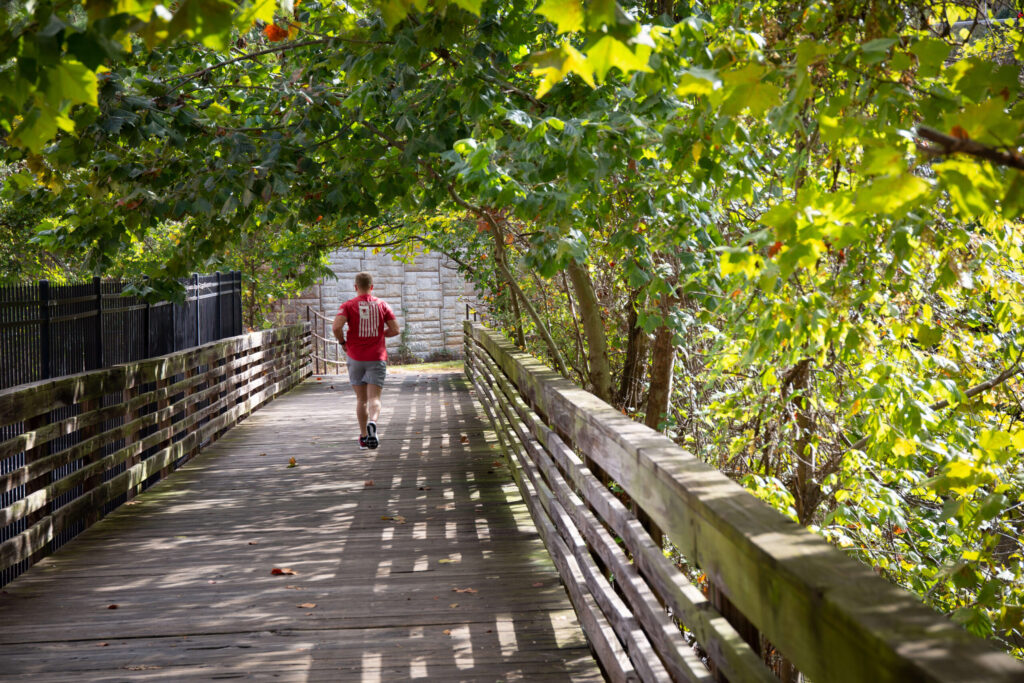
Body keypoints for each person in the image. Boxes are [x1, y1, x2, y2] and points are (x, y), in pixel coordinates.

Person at [332, 271, 400, 449]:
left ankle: (363, 437)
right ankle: (373, 423)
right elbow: (395, 329)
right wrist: (380, 335)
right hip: (376, 357)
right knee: (374, 398)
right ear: (372, 287)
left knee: (361, 400)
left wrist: (343, 343)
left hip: (355, 357)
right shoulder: (382, 305)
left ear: (355, 287)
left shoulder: (348, 305)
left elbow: (336, 326)